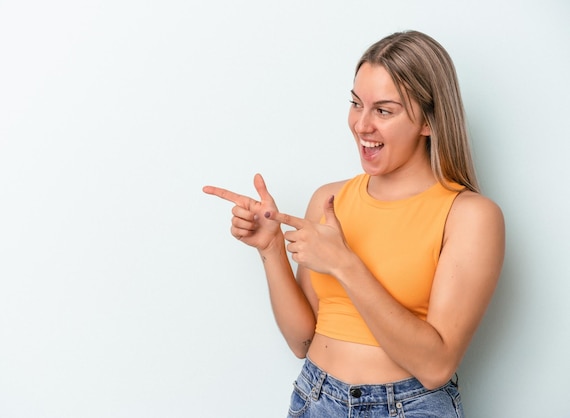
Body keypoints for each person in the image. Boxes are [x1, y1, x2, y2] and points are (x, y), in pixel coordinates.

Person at [202, 30, 505, 418]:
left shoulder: (469, 215)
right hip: (316, 398)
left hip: (408, 407)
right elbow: (302, 340)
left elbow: (435, 367)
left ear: (428, 121)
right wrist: (271, 249)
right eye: (356, 103)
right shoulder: (330, 201)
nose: (362, 125)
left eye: (384, 110)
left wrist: (344, 263)